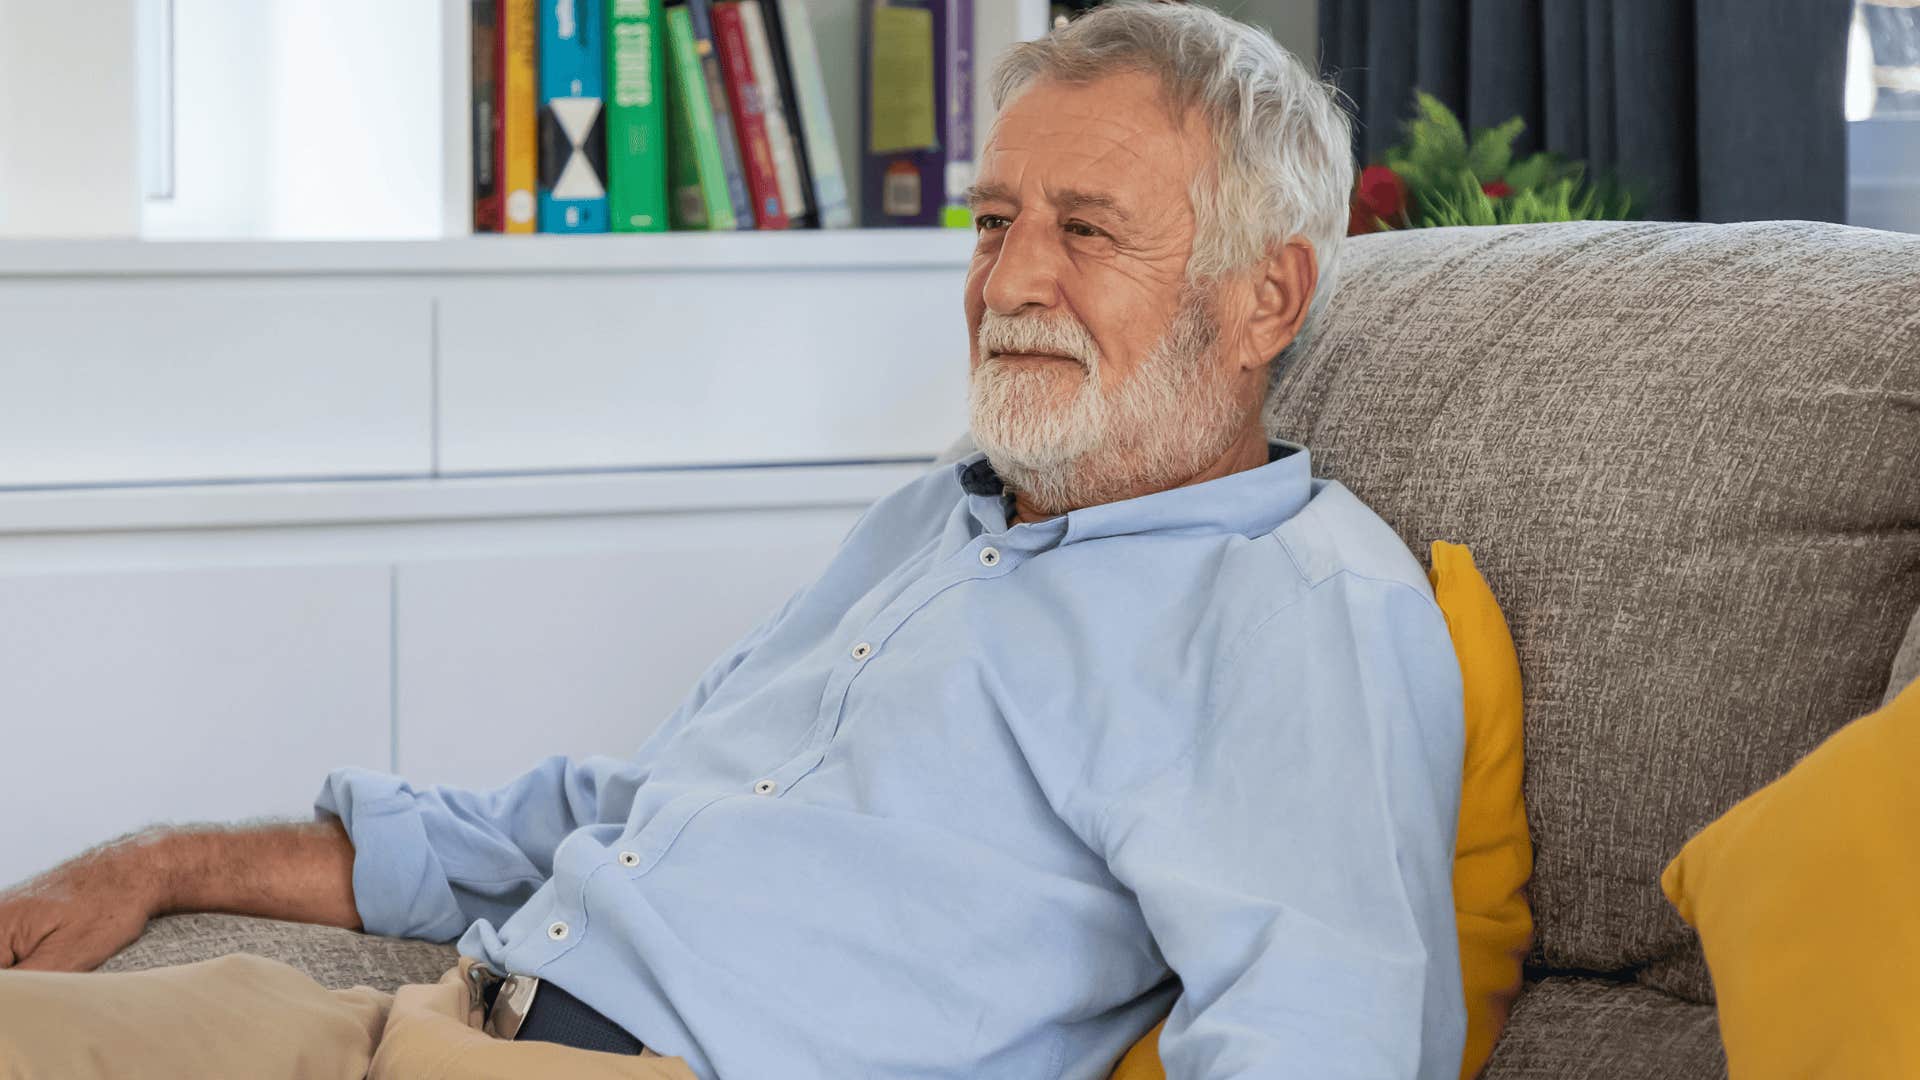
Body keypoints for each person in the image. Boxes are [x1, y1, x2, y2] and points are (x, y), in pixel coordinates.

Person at [0, 3, 1467, 1077]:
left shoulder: (1292, 605)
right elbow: (591, 812)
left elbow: (1318, 1034)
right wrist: (158, 861)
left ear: (1266, 298)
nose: (1009, 279)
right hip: (408, 1026)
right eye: (993, 220)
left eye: (1086, 231)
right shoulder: (930, 520)